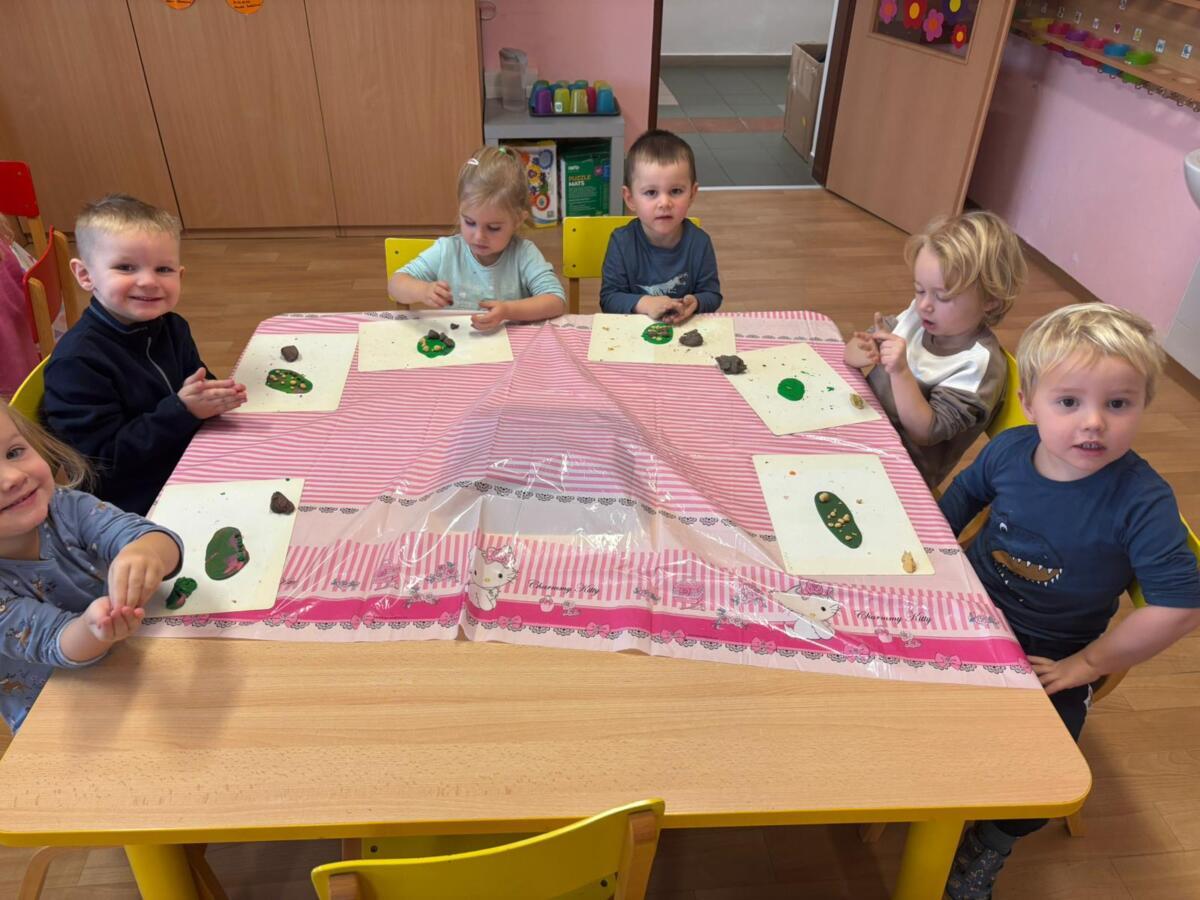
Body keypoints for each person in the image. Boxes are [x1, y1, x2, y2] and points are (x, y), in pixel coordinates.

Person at [938, 303, 1200, 899]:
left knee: (1044, 777)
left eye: (1118, 403)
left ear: (1145, 404)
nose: (1094, 423)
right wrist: (933, 554)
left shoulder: (1143, 502)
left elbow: (1181, 606)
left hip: (1050, 659)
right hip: (962, 612)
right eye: (1069, 402)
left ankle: (991, 843)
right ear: (1029, 402)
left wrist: (1086, 665)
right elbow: (963, 497)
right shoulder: (1010, 450)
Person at [42, 194, 246, 516]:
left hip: (186, 456)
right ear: (85, 275)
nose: (149, 281)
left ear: (180, 275)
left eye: (163, 269)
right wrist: (182, 410)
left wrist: (215, 395)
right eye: (125, 267)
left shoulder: (172, 326)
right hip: (133, 503)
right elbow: (100, 462)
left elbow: (196, 382)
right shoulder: (77, 364)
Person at [0, 403, 183, 733]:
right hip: (59, 713)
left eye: (14, 452)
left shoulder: (64, 505)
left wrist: (146, 552)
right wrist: (92, 628)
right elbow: (54, 639)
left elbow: (148, 538)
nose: (13, 477)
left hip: (132, 658)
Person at [844, 211, 1026, 489]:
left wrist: (900, 371)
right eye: (919, 290)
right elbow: (849, 356)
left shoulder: (978, 365)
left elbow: (925, 432)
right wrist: (870, 349)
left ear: (990, 299)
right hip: (862, 432)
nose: (924, 305)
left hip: (897, 476)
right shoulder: (919, 316)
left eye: (943, 296)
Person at [387, 146, 566, 329]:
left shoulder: (524, 254)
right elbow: (395, 283)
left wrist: (508, 310)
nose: (479, 236)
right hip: (457, 343)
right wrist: (423, 290)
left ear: (518, 220)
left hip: (509, 343)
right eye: (470, 222)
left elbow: (556, 301)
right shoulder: (447, 250)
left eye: (493, 228)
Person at [600, 129, 721, 325]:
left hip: (684, 330)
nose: (664, 203)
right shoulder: (621, 242)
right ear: (630, 199)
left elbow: (712, 295)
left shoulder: (700, 242)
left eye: (676, 191)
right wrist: (646, 303)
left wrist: (696, 302)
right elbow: (609, 299)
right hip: (633, 334)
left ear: (692, 194)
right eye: (651, 193)